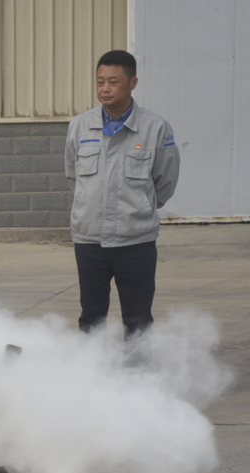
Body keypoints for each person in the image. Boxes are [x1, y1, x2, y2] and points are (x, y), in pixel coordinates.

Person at [65, 50, 180, 338]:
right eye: (100, 81)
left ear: (132, 83)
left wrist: (140, 206)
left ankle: (136, 379)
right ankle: (92, 377)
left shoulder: (155, 128)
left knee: (138, 319)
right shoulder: (79, 126)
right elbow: (73, 177)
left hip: (135, 240)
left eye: (113, 82)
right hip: (89, 240)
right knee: (91, 318)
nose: (105, 89)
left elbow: (165, 181)